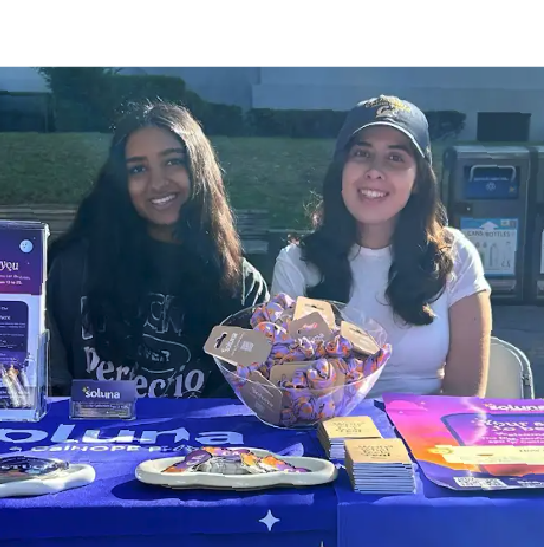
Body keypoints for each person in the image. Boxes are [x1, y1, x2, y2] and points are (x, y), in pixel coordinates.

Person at [271, 96, 492, 397]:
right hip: (326, 433)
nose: (374, 171)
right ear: (341, 170)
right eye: (362, 154)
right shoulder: (296, 262)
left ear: (418, 181)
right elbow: (286, 387)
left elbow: (465, 398)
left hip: (427, 434)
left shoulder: (456, 255)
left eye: (395, 158)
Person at [47, 102, 269, 399]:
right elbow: (48, 388)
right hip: (90, 443)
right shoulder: (75, 267)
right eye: (137, 169)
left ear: (198, 168)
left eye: (173, 161)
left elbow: (248, 398)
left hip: (200, 445)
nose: (157, 182)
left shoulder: (241, 284)